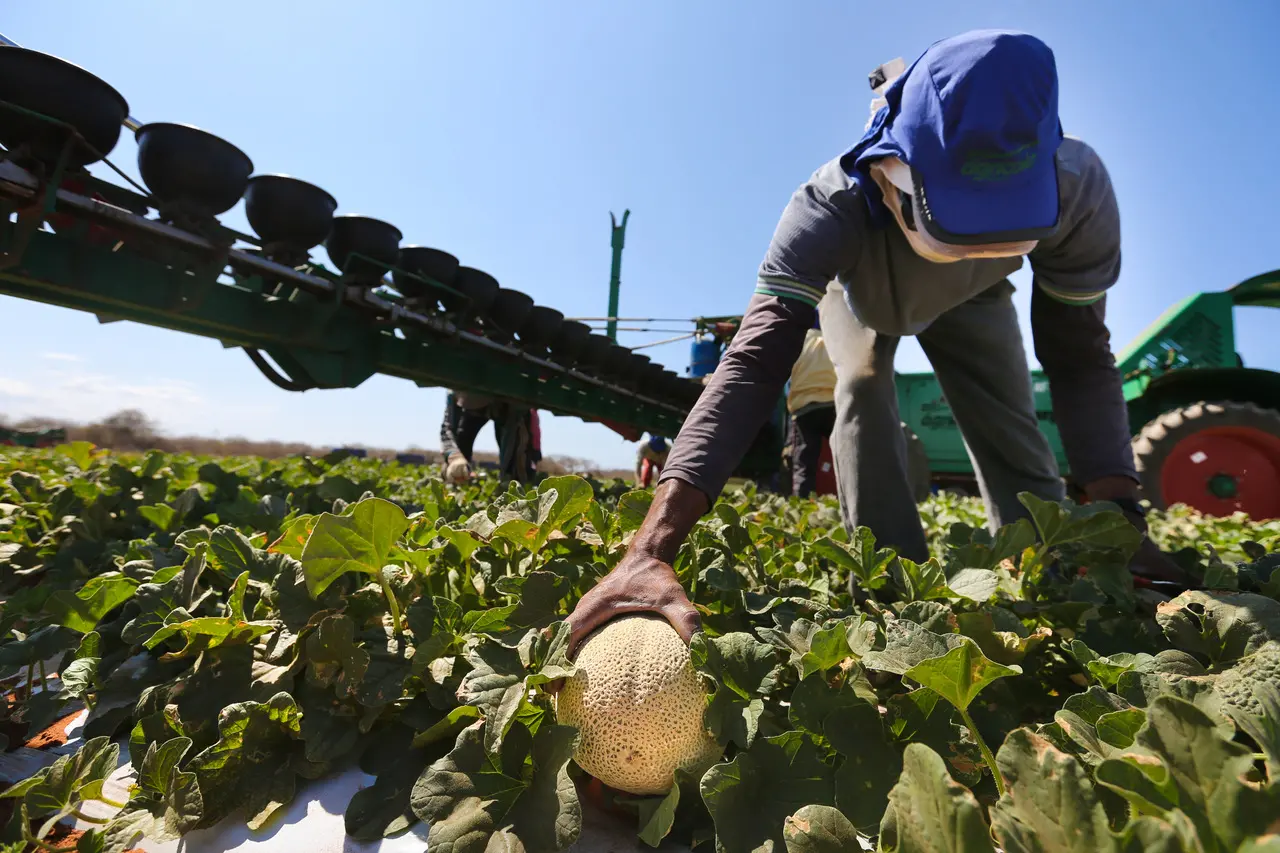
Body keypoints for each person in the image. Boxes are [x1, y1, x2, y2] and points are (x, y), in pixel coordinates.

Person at [564, 29, 1194, 651]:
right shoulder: (829, 204)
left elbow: (1079, 357)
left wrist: (1120, 520)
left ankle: (1047, 570)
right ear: (897, 169)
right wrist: (650, 548)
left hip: (975, 298)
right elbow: (753, 364)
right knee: (860, 390)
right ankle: (893, 595)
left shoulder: (1077, 188)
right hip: (863, 286)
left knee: (1005, 414)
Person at [786, 317, 837, 497]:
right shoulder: (835, 339)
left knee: (804, 462)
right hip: (834, 405)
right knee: (844, 456)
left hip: (804, 409)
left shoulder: (799, 341)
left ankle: (801, 503)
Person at [440, 391, 537, 485]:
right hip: (469, 401)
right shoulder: (454, 392)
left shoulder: (514, 399)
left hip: (505, 401)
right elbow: (447, 429)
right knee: (460, 440)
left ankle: (514, 482)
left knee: (515, 457)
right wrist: (454, 456)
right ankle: (458, 479)